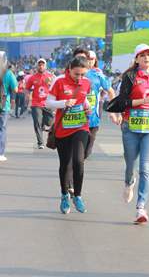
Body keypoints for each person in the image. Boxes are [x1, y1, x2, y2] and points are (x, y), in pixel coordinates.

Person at [109, 44, 149, 224]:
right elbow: (123, 101)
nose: (146, 57)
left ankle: (141, 207)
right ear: (136, 59)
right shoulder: (130, 77)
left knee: (145, 168)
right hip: (130, 126)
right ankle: (128, 183)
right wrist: (143, 101)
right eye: (142, 55)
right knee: (130, 164)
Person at [46, 56, 90, 214]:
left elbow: (84, 100)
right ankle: (64, 195)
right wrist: (63, 103)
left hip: (81, 127)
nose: (79, 78)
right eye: (76, 74)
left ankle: (77, 195)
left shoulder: (86, 83)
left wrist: (87, 107)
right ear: (69, 69)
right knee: (65, 165)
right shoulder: (59, 82)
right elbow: (48, 103)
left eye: (82, 74)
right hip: (63, 129)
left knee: (79, 161)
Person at [84, 50, 115, 158]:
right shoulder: (76, 72)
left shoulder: (98, 74)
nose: (89, 61)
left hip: (94, 112)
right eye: (87, 59)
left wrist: (113, 112)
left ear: (95, 60)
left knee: (89, 145)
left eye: (91, 59)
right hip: (78, 113)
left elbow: (110, 91)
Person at [25, 58, 54, 149]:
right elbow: (27, 88)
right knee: (37, 122)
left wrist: (50, 83)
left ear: (45, 66)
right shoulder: (32, 77)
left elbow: (56, 88)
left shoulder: (50, 76)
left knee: (49, 122)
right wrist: (28, 97)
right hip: (36, 103)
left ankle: (44, 125)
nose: (41, 66)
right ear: (37, 66)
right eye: (39, 65)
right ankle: (40, 142)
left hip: (47, 103)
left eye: (42, 65)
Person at [0, 51, 18, 161]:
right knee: (2, 128)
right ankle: (0, 153)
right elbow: (15, 89)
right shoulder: (8, 73)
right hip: (3, 105)